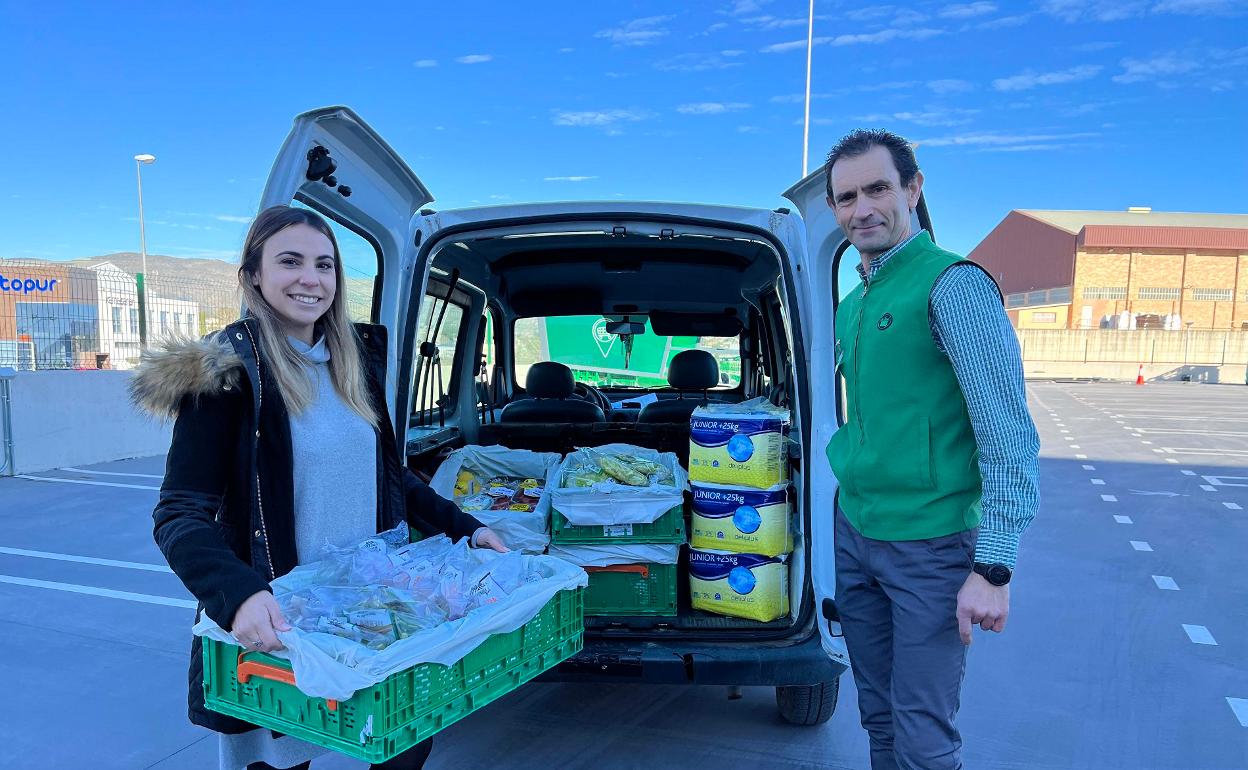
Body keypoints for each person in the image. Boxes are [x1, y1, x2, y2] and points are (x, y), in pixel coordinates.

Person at [131, 205, 506, 770]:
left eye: (324, 265)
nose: (311, 278)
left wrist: (468, 529)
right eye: (290, 261)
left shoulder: (354, 365)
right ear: (253, 274)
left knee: (403, 746)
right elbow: (179, 513)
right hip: (284, 633)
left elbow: (390, 478)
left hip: (371, 616)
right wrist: (238, 596)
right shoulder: (229, 375)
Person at [822, 129, 1040, 770]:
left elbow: (1008, 433)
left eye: (877, 189)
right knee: (877, 714)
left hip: (931, 546)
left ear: (913, 190)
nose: (861, 209)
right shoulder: (854, 301)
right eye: (845, 197)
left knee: (922, 732)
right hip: (857, 531)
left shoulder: (953, 285)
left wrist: (994, 568)